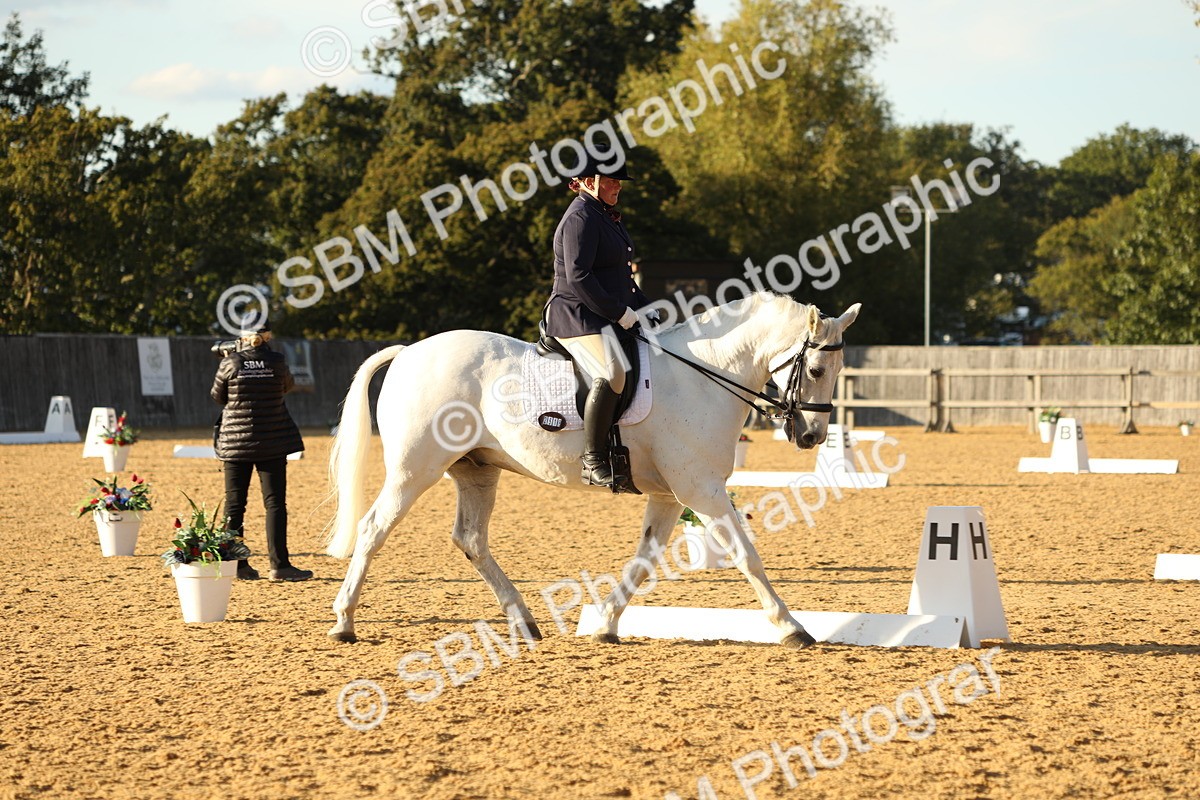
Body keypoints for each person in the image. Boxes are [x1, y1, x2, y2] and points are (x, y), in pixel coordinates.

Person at [544, 157, 657, 491]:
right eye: (611, 181)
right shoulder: (580, 218)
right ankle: (592, 460)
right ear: (588, 181)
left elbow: (620, 276)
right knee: (612, 372)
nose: (617, 186)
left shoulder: (605, 217)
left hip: (603, 312)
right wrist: (621, 313)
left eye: (619, 181)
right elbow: (579, 278)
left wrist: (646, 308)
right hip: (575, 315)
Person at [210, 324, 312, 582]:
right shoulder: (277, 361)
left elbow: (217, 396)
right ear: (267, 338)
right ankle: (280, 565)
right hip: (272, 441)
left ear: (241, 338)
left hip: (235, 443)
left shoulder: (230, 362)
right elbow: (286, 386)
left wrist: (231, 364)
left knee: (235, 505)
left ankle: (237, 564)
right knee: (275, 504)